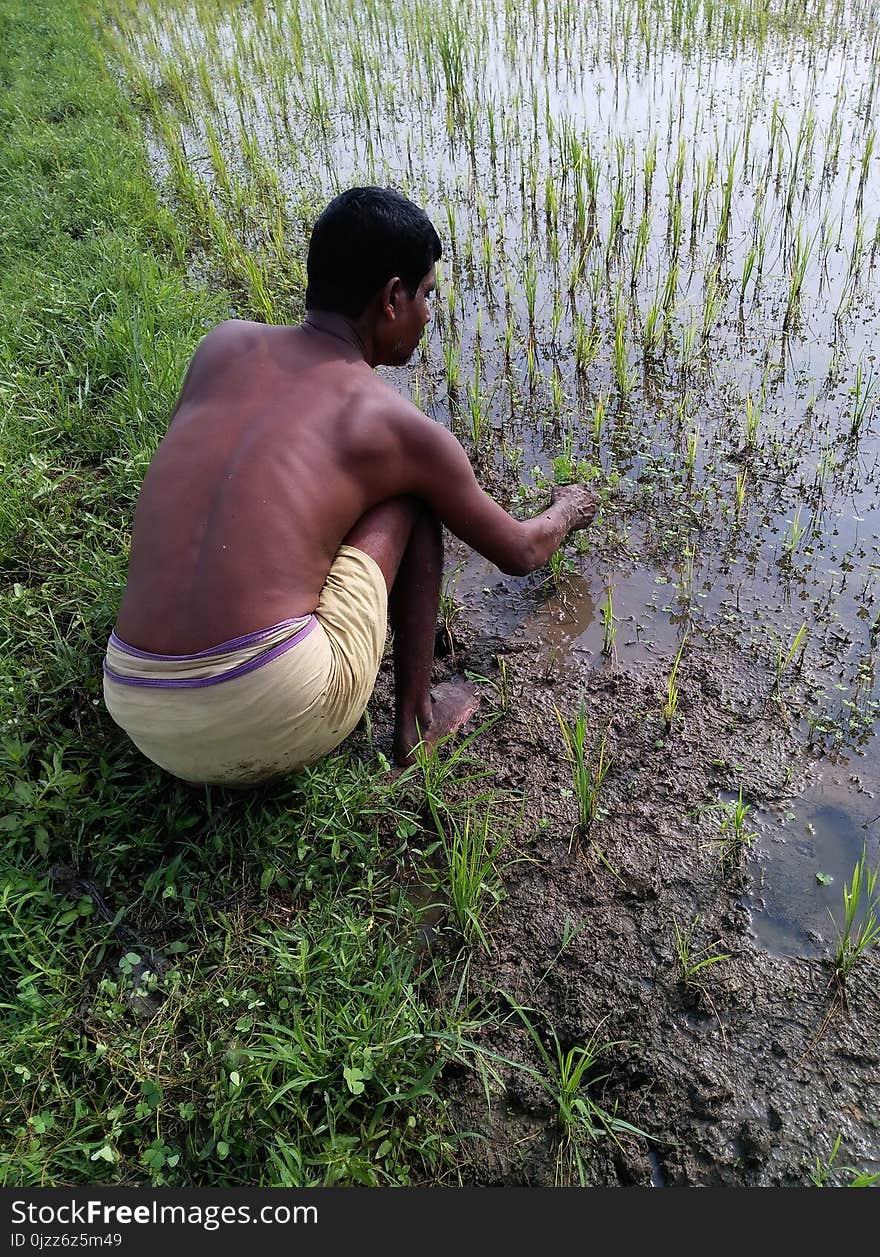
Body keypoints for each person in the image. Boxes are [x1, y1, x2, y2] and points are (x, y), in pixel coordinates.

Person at [103, 186, 598, 786]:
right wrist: (569, 508)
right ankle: (417, 721)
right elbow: (520, 551)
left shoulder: (222, 345)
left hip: (133, 697)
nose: (428, 315)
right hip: (265, 705)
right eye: (427, 296)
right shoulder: (394, 426)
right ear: (393, 298)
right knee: (413, 494)